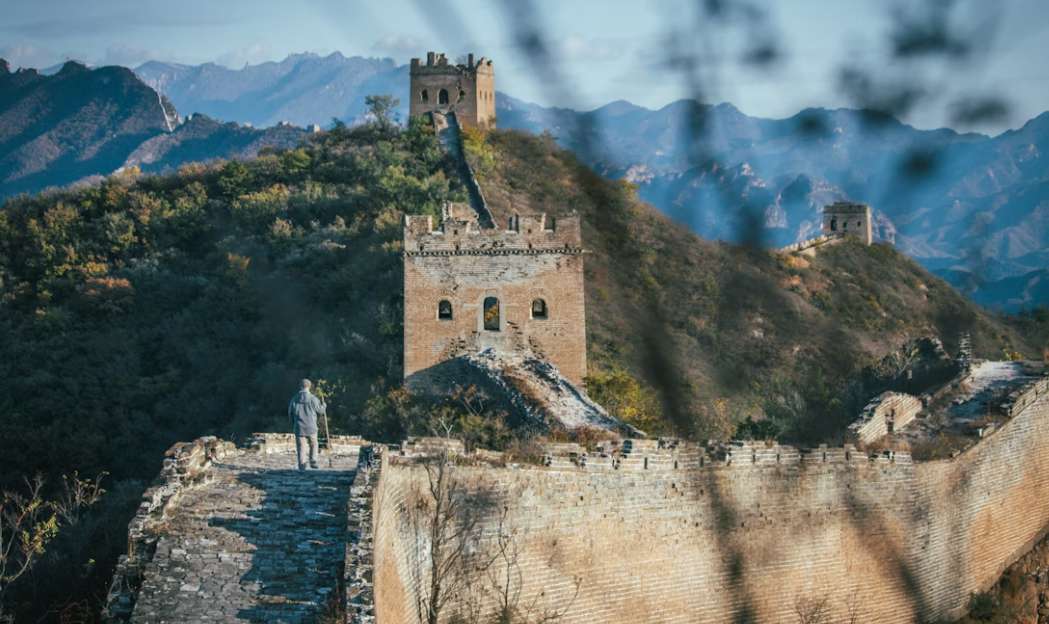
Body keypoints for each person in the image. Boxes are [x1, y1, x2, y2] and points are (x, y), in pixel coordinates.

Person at [288, 378, 326, 470]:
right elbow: (320, 411)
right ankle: (313, 461)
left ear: (300, 386)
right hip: (311, 427)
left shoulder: (294, 399)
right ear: (309, 386)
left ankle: (302, 465)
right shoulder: (313, 399)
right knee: (314, 444)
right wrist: (324, 405)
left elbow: (290, 413)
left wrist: (293, 424)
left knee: (301, 447)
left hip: (299, 427)